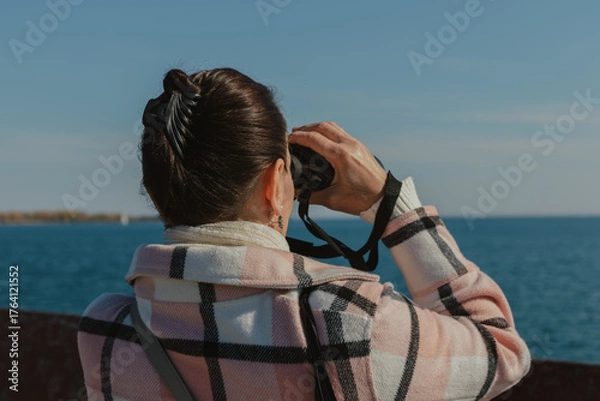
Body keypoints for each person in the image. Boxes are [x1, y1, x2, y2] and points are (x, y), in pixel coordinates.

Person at [77, 67, 531, 401]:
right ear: (276, 184)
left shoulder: (108, 330)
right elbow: (502, 351)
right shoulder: (347, 320)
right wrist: (393, 206)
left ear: (157, 193)